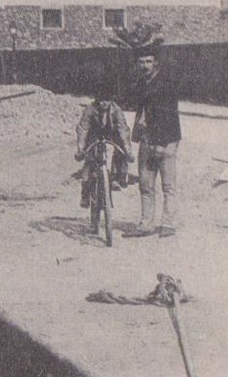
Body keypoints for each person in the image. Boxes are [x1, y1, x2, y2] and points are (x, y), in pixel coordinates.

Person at [127, 47, 181, 236]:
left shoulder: (165, 84)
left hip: (165, 141)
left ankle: (168, 224)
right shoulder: (142, 83)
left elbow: (170, 115)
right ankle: (146, 224)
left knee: (168, 185)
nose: (144, 65)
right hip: (146, 139)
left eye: (148, 61)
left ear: (156, 63)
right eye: (141, 62)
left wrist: (161, 142)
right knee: (145, 184)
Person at [75, 93, 132, 207]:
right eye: (101, 100)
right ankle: (85, 194)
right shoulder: (90, 109)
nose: (104, 103)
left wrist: (128, 151)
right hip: (94, 134)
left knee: (120, 149)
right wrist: (80, 149)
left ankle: (117, 177)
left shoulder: (116, 110)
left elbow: (123, 130)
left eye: (107, 100)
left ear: (111, 100)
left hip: (112, 133)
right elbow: (83, 128)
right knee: (89, 159)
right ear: (97, 100)